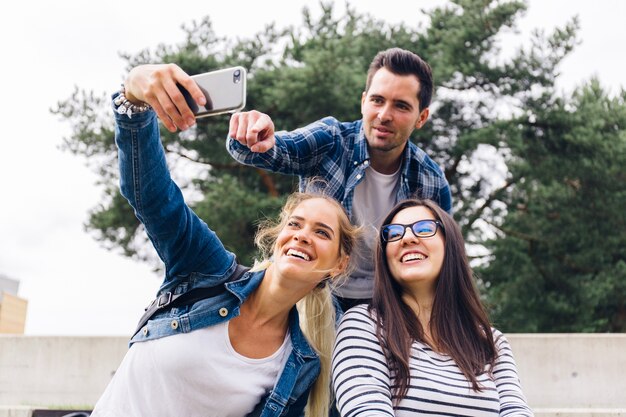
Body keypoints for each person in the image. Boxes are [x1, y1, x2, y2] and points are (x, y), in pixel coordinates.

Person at [90, 64, 359, 417]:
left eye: (322, 232)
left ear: (339, 263)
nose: (304, 236)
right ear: (277, 236)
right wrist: (133, 101)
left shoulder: (300, 365)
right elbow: (154, 198)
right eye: (296, 223)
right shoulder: (207, 269)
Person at [227, 48, 452, 313]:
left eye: (401, 106)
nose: (384, 115)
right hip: (316, 291)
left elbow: (442, 262)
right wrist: (253, 132)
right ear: (363, 101)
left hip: (389, 303)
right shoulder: (332, 139)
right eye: (377, 101)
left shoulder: (431, 180)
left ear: (421, 117)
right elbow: (266, 150)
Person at [331, 199, 533, 416]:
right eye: (394, 234)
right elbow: (366, 411)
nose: (407, 238)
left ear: (450, 244)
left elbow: (516, 411)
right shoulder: (364, 326)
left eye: (425, 228)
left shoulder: (490, 343)